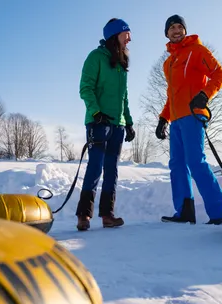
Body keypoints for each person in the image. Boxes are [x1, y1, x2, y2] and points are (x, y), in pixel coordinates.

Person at [155, 14, 222, 225]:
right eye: (172, 28)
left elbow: (219, 75)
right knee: (176, 164)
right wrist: (163, 118)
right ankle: (184, 211)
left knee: (196, 161)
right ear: (166, 33)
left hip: (193, 115)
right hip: (176, 119)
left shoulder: (197, 51)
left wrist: (205, 95)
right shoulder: (168, 63)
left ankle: (219, 212)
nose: (176, 31)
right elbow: (172, 94)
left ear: (185, 30)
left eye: (179, 27)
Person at [75, 18, 136, 231]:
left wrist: (128, 122)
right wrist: (96, 112)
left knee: (112, 170)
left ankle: (107, 214)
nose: (130, 38)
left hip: (117, 126)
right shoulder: (95, 57)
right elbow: (86, 88)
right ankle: (84, 215)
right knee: (95, 167)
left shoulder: (121, 62)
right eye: (126, 33)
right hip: (98, 123)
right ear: (114, 35)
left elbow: (124, 97)